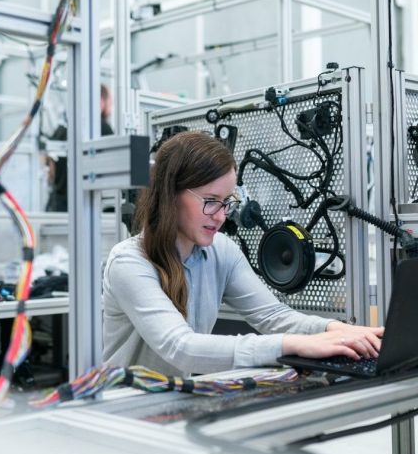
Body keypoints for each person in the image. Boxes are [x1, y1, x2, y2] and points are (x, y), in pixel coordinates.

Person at [102, 131, 383, 376]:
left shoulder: (221, 251)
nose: (221, 216)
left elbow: (273, 316)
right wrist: (292, 344)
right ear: (170, 195)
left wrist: (338, 330)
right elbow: (181, 347)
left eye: (227, 202)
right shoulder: (129, 262)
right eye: (211, 202)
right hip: (125, 412)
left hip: (173, 402)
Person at [44, 85, 113, 212]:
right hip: (83, 208)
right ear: (101, 101)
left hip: (56, 207)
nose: (111, 109)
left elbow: (49, 167)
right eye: (110, 103)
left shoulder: (62, 128)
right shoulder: (102, 127)